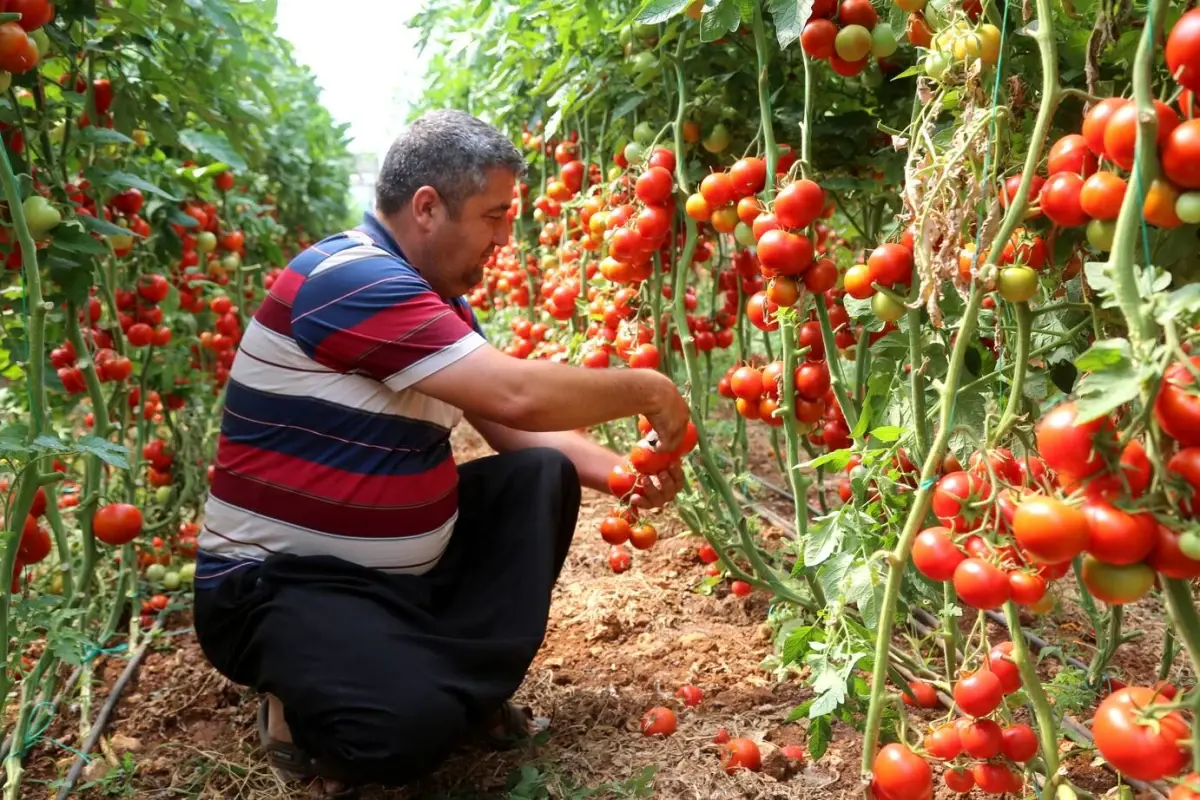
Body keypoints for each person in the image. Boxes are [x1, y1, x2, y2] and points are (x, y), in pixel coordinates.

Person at [192, 109, 691, 797]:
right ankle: (300, 704)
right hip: (280, 587)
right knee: (400, 734)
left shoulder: (436, 304)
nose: (506, 237)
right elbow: (516, 395)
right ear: (427, 207)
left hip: (385, 589)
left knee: (538, 478)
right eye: (493, 215)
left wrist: (624, 474)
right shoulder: (352, 279)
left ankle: (424, 677)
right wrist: (648, 390)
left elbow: (515, 431)